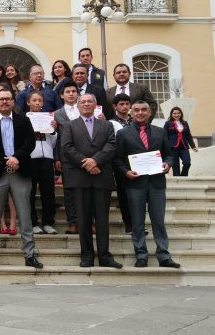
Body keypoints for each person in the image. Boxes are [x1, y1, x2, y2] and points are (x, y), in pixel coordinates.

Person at [0, 88, 43, 269]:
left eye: (8, 99)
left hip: (20, 172)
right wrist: (5, 161)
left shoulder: (24, 121)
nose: (5, 102)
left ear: (13, 101)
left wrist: (17, 158)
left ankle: (29, 254)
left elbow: (29, 142)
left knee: (25, 215)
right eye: (1, 99)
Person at [114, 101, 180, 268]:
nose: (140, 113)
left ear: (150, 112)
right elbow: (117, 159)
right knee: (137, 222)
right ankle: (141, 255)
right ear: (131, 113)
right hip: (134, 184)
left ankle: (164, 255)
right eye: (136, 110)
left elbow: (169, 154)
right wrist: (125, 172)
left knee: (159, 221)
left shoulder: (160, 132)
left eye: (144, 110)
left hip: (157, 182)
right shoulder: (123, 133)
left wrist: (168, 164)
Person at [61, 93, 122, 269]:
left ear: (96, 105)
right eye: (83, 102)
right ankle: (87, 255)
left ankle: (105, 256)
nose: (86, 104)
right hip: (80, 178)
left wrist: (96, 161)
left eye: (90, 101)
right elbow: (67, 148)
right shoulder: (69, 126)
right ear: (78, 105)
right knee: (83, 220)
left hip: (101, 177)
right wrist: (87, 163)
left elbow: (111, 145)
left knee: (102, 220)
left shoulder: (107, 125)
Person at [26, 91, 59, 235]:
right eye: (34, 100)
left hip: (47, 157)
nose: (37, 103)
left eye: (40, 100)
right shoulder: (24, 118)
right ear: (28, 103)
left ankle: (48, 222)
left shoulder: (48, 118)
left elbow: (52, 143)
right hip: (30, 158)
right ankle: (33, 223)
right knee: (30, 192)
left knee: (48, 192)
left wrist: (53, 130)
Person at [53, 81, 80, 234]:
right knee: (68, 191)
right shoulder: (56, 114)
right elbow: (56, 138)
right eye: (67, 92)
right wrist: (57, 158)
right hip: (65, 157)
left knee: (86, 190)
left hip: (84, 156)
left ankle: (89, 222)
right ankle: (73, 222)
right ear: (62, 95)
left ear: (77, 94)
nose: (71, 94)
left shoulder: (85, 110)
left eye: (73, 91)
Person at [109, 93, 134, 233]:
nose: (124, 107)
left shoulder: (136, 121)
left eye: (127, 104)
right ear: (115, 106)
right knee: (123, 194)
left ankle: (138, 223)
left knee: (137, 194)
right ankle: (128, 223)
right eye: (121, 104)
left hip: (137, 161)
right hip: (120, 162)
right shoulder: (110, 122)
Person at [164, 107, 198, 176]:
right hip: (172, 148)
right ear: (171, 114)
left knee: (187, 163)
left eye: (178, 113)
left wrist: (193, 146)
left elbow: (188, 135)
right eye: (174, 113)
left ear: (181, 114)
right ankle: (178, 181)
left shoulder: (185, 123)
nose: (176, 115)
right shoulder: (168, 123)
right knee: (175, 167)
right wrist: (165, 147)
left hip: (184, 147)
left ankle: (183, 177)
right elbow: (164, 136)